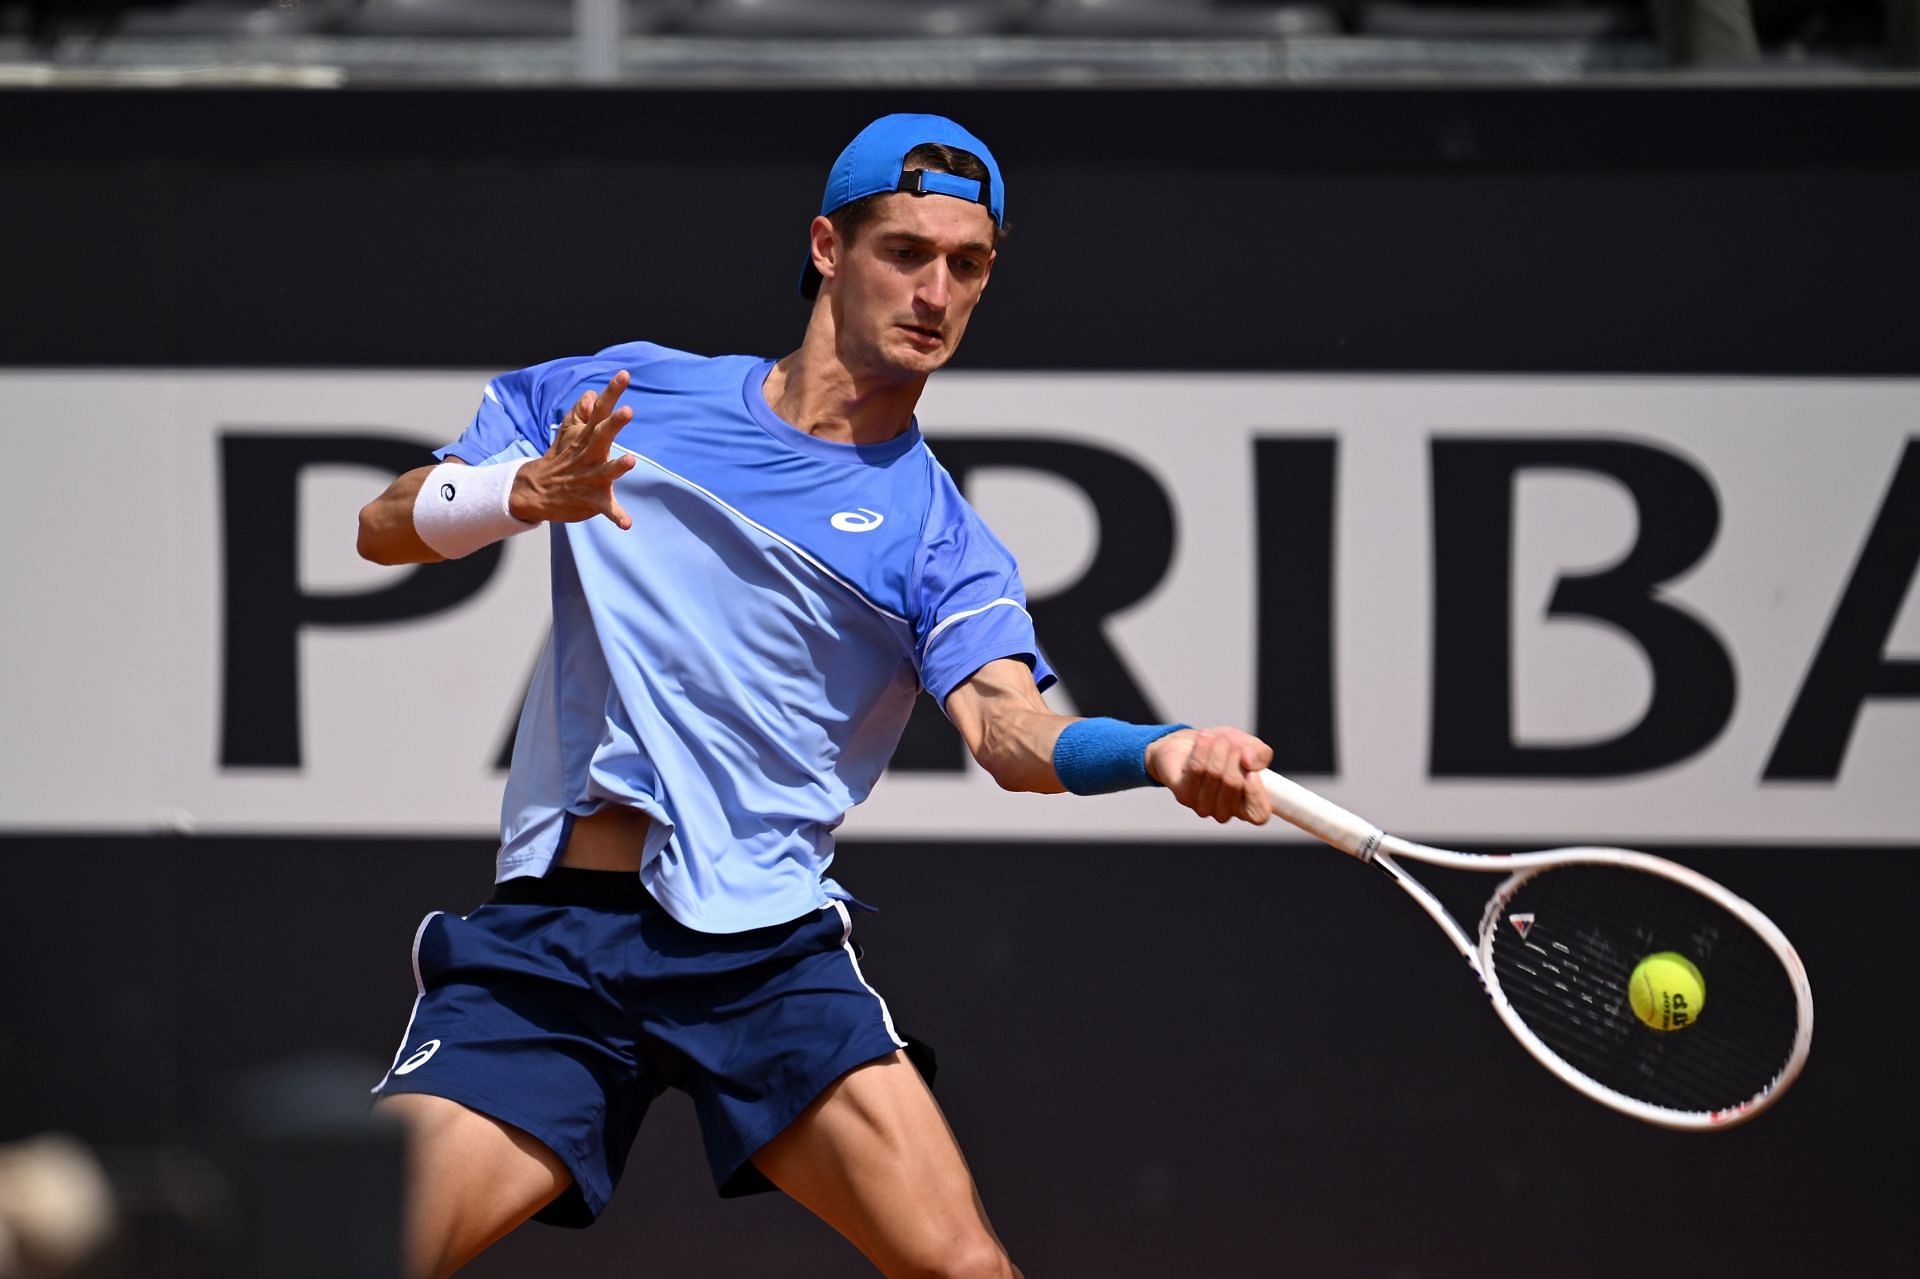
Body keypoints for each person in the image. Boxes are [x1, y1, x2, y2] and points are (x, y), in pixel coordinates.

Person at [354, 112, 1275, 1279]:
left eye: (969, 264)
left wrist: (1158, 750)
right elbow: (382, 526)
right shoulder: (618, 397)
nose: (937, 290)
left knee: (965, 1270)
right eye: (906, 251)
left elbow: (1007, 728)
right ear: (829, 247)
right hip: (560, 946)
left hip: (761, 956)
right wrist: (523, 492)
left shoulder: (942, 538)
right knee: (348, 1244)